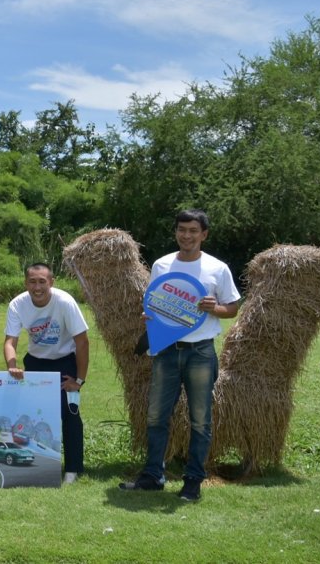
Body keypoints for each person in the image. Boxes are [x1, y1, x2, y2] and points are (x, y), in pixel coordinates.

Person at [121, 209, 240, 501]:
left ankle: (193, 482)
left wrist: (215, 308)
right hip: (166, 351)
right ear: (175, 232)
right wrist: (149, 316)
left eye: (193, 231)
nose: (187, 235)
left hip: (200, 352)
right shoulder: (162, 265)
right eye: (182, 230)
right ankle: (153, 476)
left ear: (204, 235)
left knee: (201, 419)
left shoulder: (217, 268)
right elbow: (156, 302)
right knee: (156, 416)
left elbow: (233, 307)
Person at [3, 263, 89, 485]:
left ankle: (72, 469)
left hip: (65, 362)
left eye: (42, 281)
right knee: (33, 416)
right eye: (32, 281)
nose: (37, 287)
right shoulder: (17, 304)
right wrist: (12, 365)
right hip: (36, 363)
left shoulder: (65, 302)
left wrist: (79, 380)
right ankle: (36, 465)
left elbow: (82, 342)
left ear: (51, 282)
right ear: (26, 283)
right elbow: (10, 341)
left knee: (70, 414)